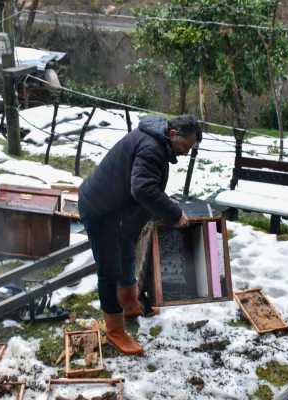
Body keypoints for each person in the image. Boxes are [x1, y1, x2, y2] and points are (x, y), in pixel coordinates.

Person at [78, 115, 202, 355]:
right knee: (109, 268)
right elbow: (143, 187)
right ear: (174, 134)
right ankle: (115, 330)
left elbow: (142, 186)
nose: (186, 153)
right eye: (186, 147)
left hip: (119, 209)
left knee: (126, 250)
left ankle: (129, 303)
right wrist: (174, 213)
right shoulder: (152, 148)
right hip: (99, 209)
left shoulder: (158, 139)